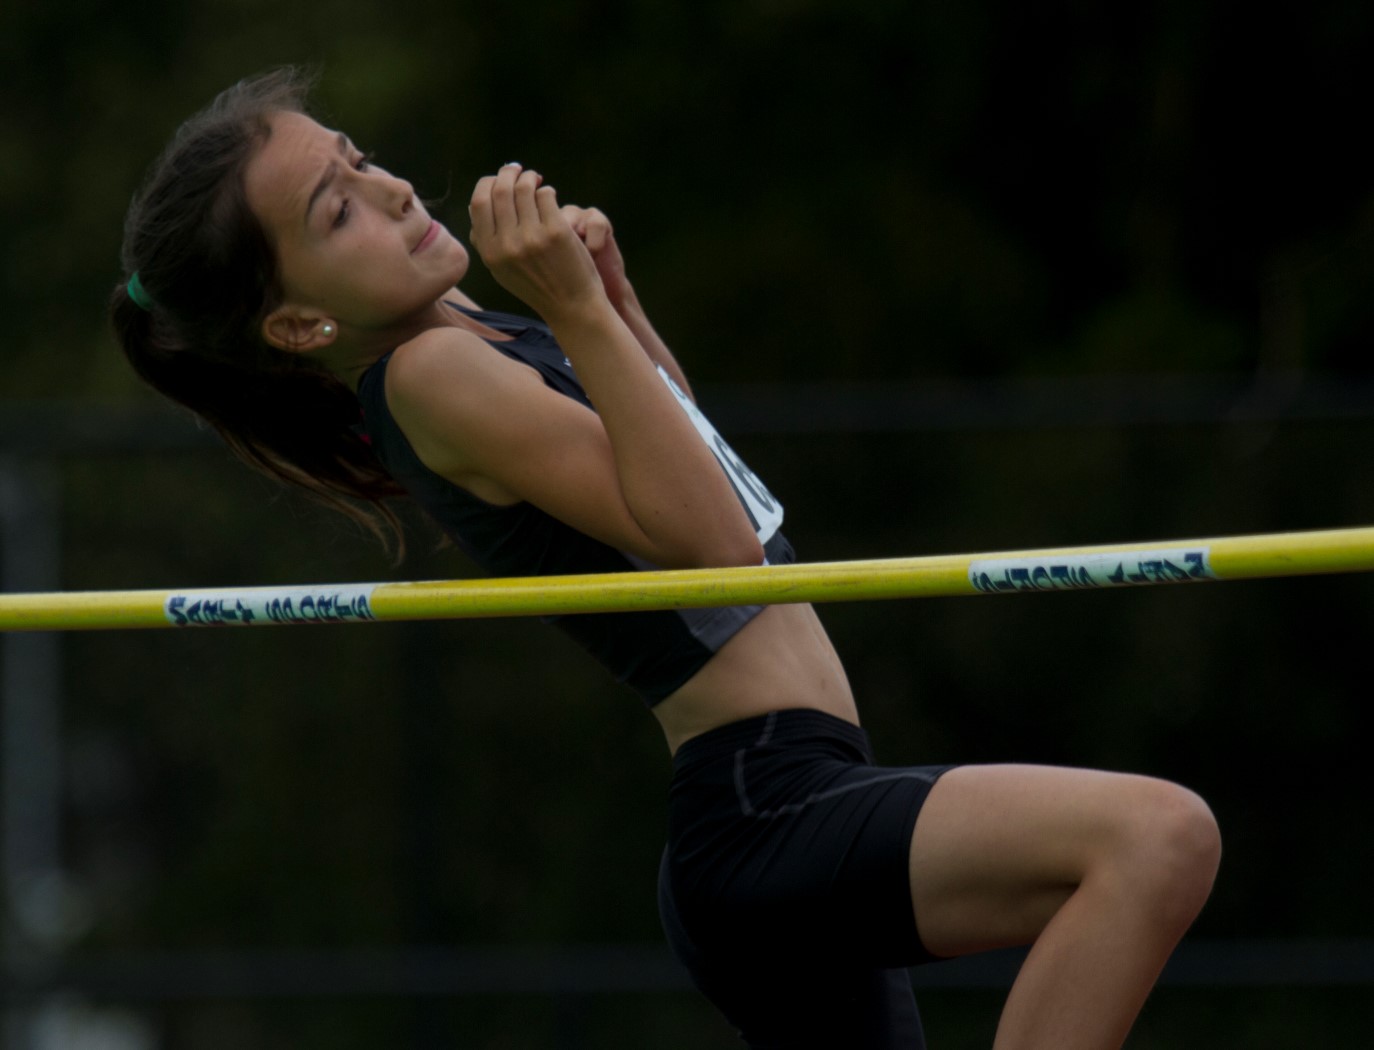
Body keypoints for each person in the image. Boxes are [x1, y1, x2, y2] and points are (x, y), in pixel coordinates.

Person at [111, 67, 1220, 1049]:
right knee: (1152, 840)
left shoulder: (471, 337)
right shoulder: (429, 380)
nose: (395, 190)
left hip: (781, 803)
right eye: (338, 209)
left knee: (1147, 845)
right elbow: (718, 550)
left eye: (360, 161)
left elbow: (698, 473)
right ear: (299, 324)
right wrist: (581, 312)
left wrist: (615, 309)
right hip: (762, 807)